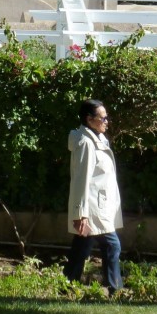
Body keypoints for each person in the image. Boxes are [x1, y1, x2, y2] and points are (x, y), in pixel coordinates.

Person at [65, 98, 123, 293]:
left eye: (107, 117)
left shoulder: (96, 138)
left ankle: (68, 284)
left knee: (81, 247)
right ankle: (115, 289)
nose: (107, 121)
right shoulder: (85, 143)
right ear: (89, 119)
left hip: (99, 205)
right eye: (103, 118)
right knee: (112, 245)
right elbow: (81, 179)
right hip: (93, 207)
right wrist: (80, 213)